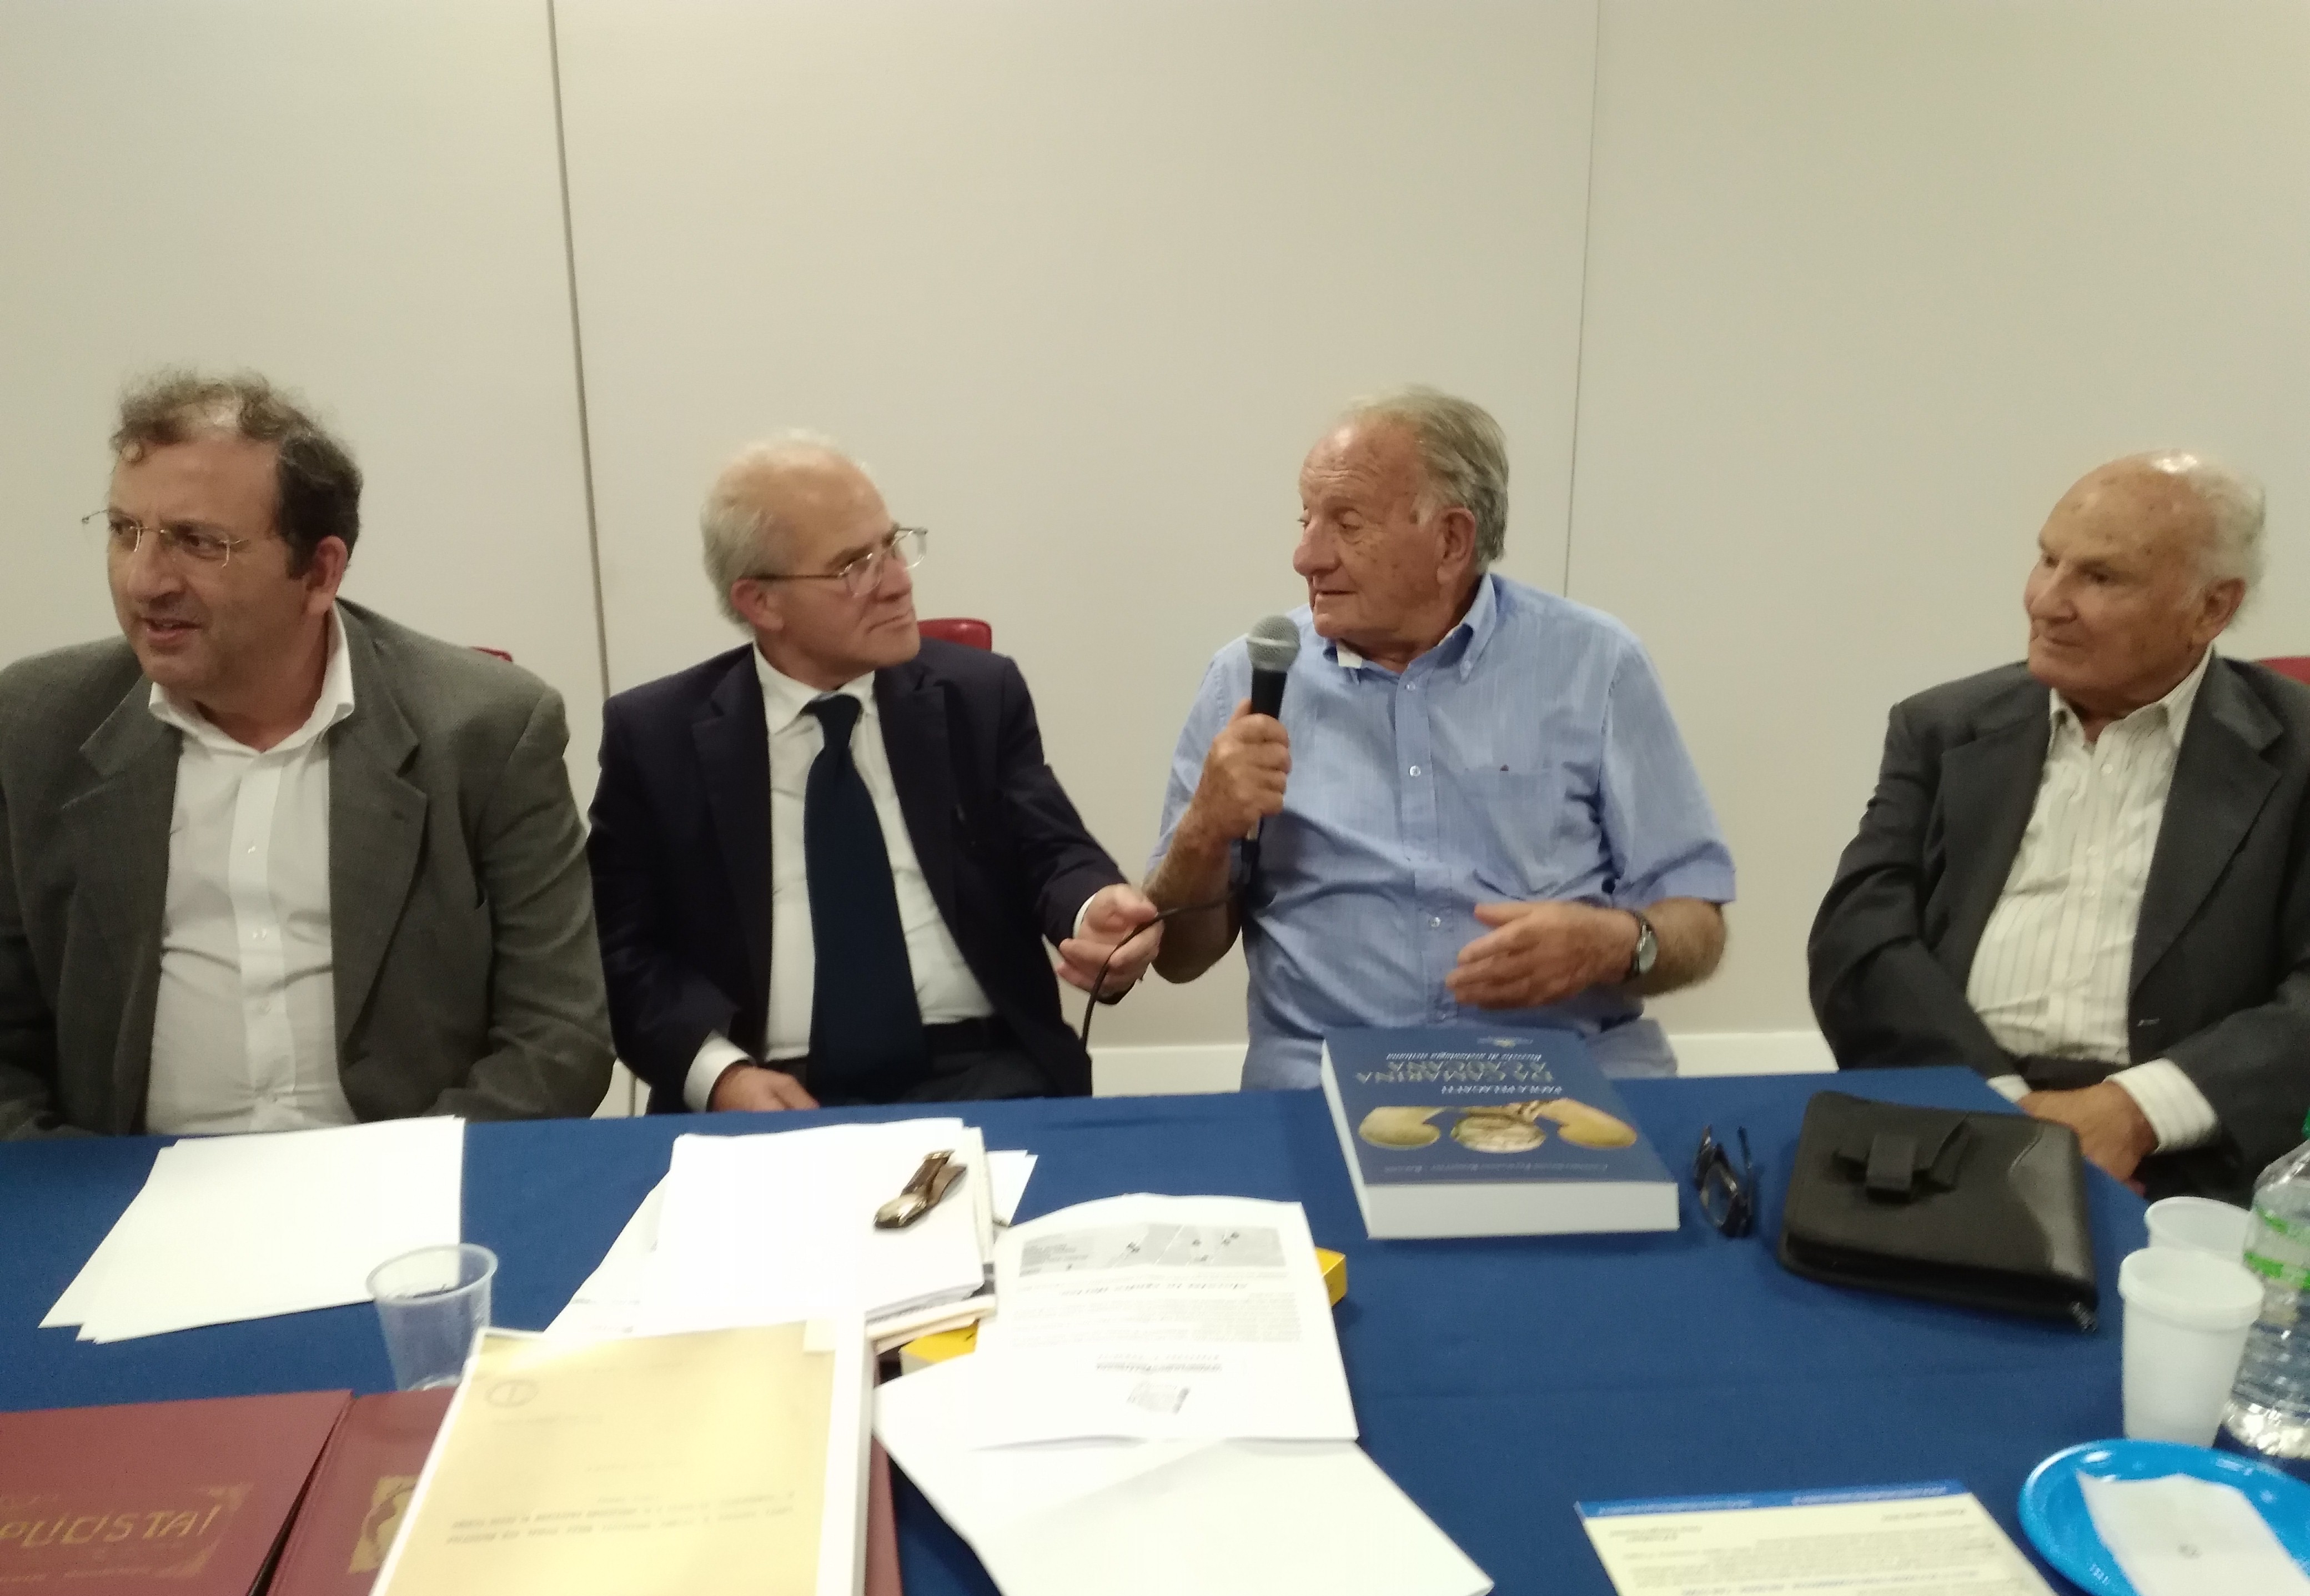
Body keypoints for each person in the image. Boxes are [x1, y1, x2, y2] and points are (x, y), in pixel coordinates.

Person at [0, 371, 614, 1137]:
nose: (144, 580)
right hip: (126, 1180)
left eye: (198, 542)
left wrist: (402, 1179)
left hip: (403, 1174)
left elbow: (559, 1038)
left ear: (320, 572)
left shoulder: (485, 730)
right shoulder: (35, 728)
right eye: (126, 531)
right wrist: (77, 1183)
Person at [1145, 388, 1735, 1089]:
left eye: (1346, 524)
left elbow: (1697, 924)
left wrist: (1613, 945)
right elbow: (1176, 958)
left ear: (1451, 541)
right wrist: (1203, 830)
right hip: (1326, 1084)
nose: (1305, 556)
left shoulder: (1596, 665)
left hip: (1566, 1075)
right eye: (1306, 520)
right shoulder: (1245, 680)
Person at [588, 436, 1159, 1113]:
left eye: (891, 547)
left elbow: (1052, 850)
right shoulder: (656, 738)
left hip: (983, 1071)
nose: (897, 582)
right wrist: (719, 1075)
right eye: (853, 567)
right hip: (764, 1088)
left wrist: (1094, 910)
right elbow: (622, 955)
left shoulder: (977, 696)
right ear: (761, 602)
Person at [1809, 452, 2310, 1204]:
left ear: (2211, 609)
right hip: (1952, 1115)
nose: (2046, 602)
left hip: (2192, 1155)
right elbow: (1860, 939)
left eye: (2099, 578)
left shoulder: (2295, 752)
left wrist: (2137, 1110)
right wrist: (2002, 1108)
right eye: (2047, 560)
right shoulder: (1941, 728)